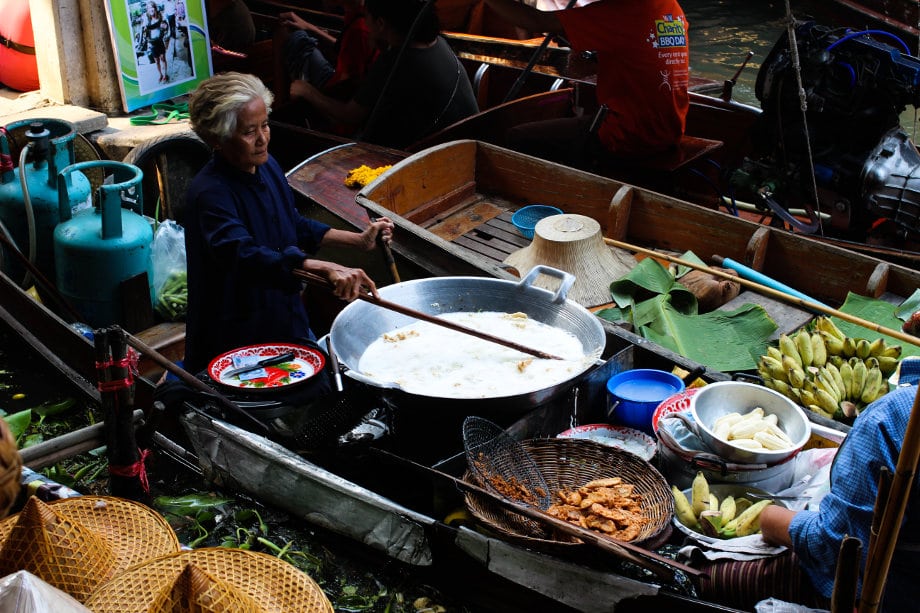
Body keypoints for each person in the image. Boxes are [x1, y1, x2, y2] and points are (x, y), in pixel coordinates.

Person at [183, 71, 394, 375]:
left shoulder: (266, 166)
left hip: (284, 317)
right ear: (217, 138)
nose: (262, 139)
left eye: (265, 126)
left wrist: (359, 240)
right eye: (248, 131)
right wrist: (321, 267)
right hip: (239, 337)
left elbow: (290, 224)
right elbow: (244, 255)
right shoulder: (210, 194)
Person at [756, 357, 920, 612]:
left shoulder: (893, 416)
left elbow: (840, 546)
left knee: (715, 576)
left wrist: (769, 519)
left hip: (887, 594)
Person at [484, 0, 690, 168]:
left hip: (626, 135)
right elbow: (638, 53)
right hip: (670, 129)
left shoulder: (621, 12)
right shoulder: (671, 8)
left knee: (517, 137)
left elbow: (535, 20)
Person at [289, 0, 479, 149]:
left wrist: (307, 91)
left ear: (380, 23)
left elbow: (349, 116)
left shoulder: (396, 60)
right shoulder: (439, 44)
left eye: (367, 18)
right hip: (458, 146)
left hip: (419, 157)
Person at [280, 0, 377, 100]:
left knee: (289, 33)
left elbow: (344, 92)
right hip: (337, 79)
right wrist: (309, 27)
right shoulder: (361, 14)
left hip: (331, 92)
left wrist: (307, 92)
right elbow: (346, 47)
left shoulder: (358, 30)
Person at [141, 0, 170, 84]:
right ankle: (160, 75)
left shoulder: (162, 17)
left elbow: (166, 28)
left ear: (155, 8)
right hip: (152, 43)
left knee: (163, 58)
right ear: (148, 10)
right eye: (149, 8)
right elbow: (144, 29)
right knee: (157, 61)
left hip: (160, 42)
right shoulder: (147, 20)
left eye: (152, 7)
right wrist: (144, 28)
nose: (151, 10)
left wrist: (165, 27)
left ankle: (165, 74)